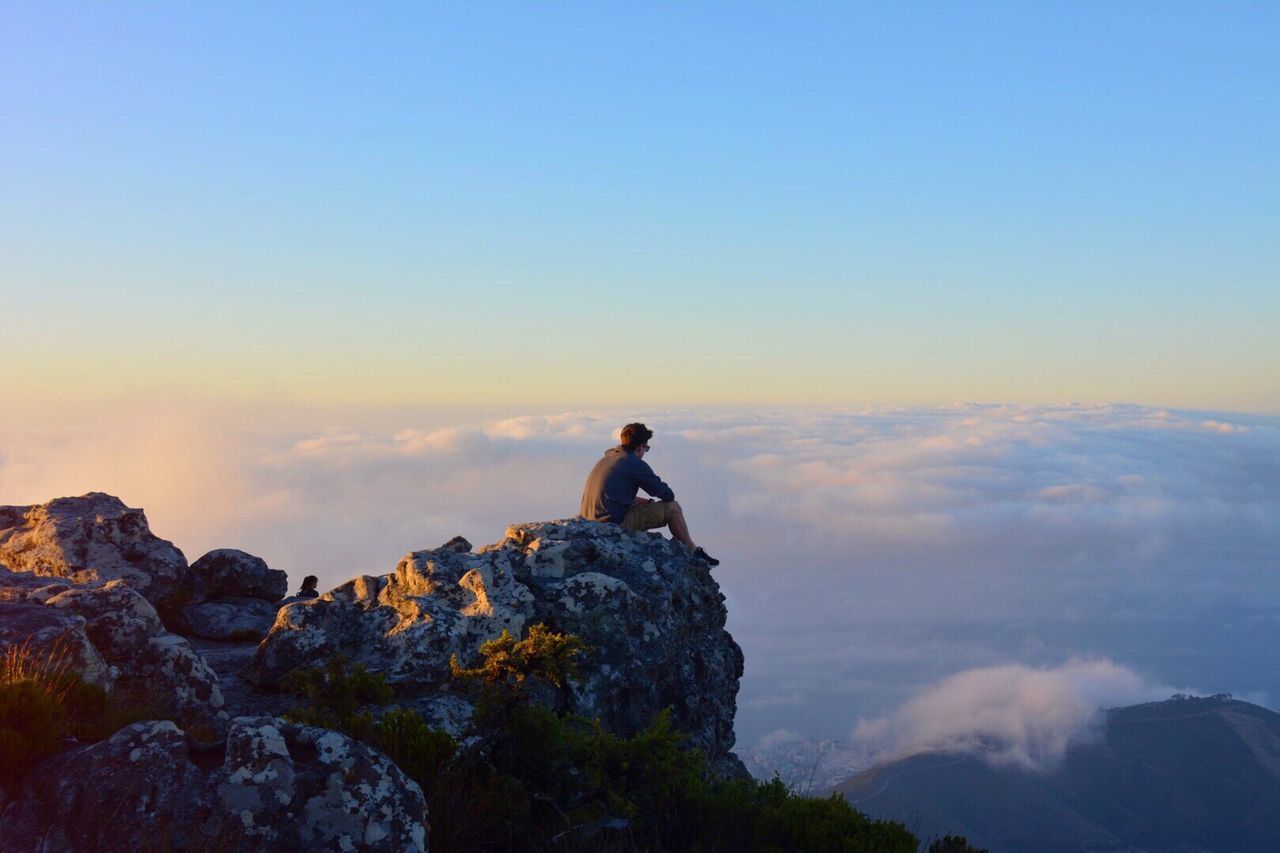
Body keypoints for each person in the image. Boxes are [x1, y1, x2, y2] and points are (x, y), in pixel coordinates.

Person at [579, 422, 720, 566]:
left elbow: (615, 496)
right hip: (612, 524)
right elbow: (667, 495)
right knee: (673, 508)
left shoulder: (608, 458)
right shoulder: (633, 464)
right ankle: (693, 553)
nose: (645, 452)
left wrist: (646, 502)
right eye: (647, 448)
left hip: (588, 521)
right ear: (640, 447)